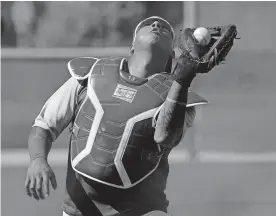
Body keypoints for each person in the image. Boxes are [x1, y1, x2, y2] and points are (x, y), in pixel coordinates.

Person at [25, 16, 208, 216]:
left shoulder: (180, 97)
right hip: (80, 209)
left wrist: (182, 81)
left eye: (165, 28)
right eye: (148, 24)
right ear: (132, 45)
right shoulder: (90, 75)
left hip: (143, 210)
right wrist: (37, 159)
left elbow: (166, 137)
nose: (156, 25)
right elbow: (44, 125)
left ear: (172, 54)